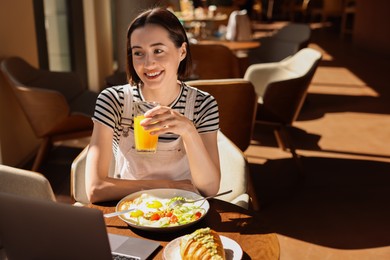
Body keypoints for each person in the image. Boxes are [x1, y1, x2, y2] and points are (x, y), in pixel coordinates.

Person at [85, 7, 221, 203]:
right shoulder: (114, 101)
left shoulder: (203, 104)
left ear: (182, 51)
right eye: (138, 53)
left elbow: (209, 188)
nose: (148, 64)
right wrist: (169, 186)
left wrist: (188, 131)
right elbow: (95, 188)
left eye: (158, 50)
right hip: (132, 211)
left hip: (186, 211)